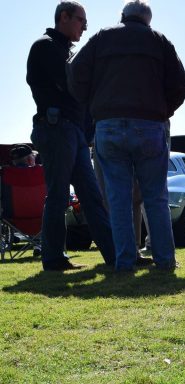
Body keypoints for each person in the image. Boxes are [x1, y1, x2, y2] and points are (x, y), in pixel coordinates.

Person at [68, 0, 185, 272]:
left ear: (122, 16)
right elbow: (183, 84)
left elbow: (75, 72)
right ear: (148, 20)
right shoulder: (159, 41)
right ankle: (165, 260)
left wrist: (94, 105)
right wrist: (162, 110)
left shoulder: (102, 37)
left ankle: (125, 262)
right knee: (155, 196)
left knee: (118, 197)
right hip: (150, 125)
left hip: (109, 124)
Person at [26, 1, 116, 271]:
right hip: (56, 128)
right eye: (80, 20)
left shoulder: (64, 50)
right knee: (58, 195)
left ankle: (116, 256)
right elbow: (73, 84)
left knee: (91, 195)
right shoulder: (45, 46)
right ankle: (53, 258)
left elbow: (81, 91)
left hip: (72, 131)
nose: (85, 27)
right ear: (63, 17)